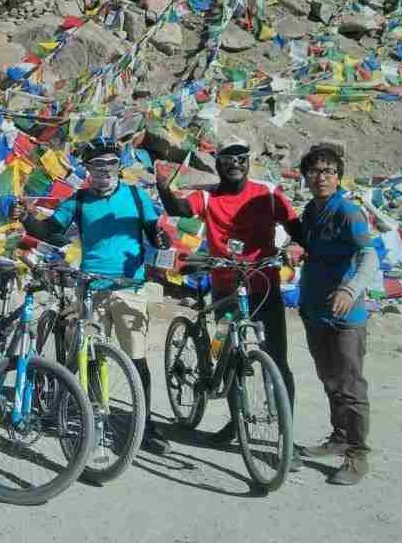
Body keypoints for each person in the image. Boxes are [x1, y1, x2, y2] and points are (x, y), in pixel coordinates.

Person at [157, 136, 303, 466]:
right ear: (219, 165)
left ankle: (286, 440)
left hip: (262, 287)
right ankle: (236, 422)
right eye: (227, 160)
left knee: (276, 361)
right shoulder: (208, 196)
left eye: (241, 158)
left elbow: (298, 228)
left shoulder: (267, 194)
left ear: (249, 162)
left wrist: (293, 247)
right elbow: (178, 209)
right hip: (224, 287)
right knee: (227, 353)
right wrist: (164, 187)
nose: (234, 165)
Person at [22, 139, 172, 455]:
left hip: (129, 288)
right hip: (90, 289)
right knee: (90, 356)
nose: (104, 171)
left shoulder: (135, 195)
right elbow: (51, 230)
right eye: (97, 166)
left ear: (118, 167)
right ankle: (93, 416)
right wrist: (25, 218)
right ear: (87, 169)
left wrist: (160, 237)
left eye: (110, 165)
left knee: (137, 359)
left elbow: (152, 232)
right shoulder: (77, 200)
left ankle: (144, 427)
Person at [296, 144, 377, 485]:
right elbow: (309, 249)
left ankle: (357, 454)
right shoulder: (311, 212)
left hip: (346, 316)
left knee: (350, 385)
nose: (321, 177)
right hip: (315, 310)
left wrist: (350, 289)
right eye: (315, 170)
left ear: (339, 176)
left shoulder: (348, 212)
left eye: (329, 171)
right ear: (306, 177)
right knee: (329, 380)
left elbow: (368, 255)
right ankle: (339, 436)